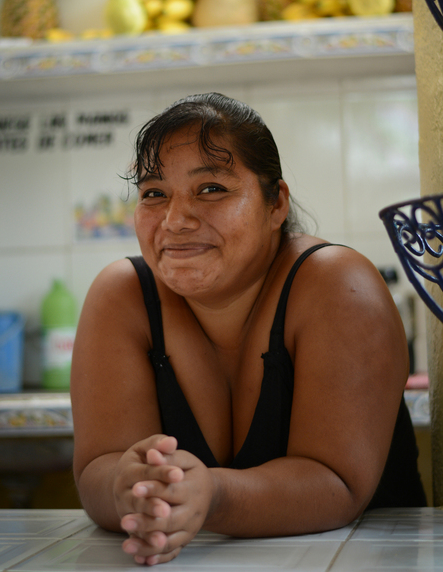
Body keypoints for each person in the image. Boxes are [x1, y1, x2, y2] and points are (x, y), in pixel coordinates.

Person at [71, 92, 426, 566]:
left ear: (275, 203)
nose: (175, 221)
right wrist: (129, 490)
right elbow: (99, 468)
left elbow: (338, 485)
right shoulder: (123, 296)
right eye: (155, 193)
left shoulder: (338, 285)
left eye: (212, 188)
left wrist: (211, 495)